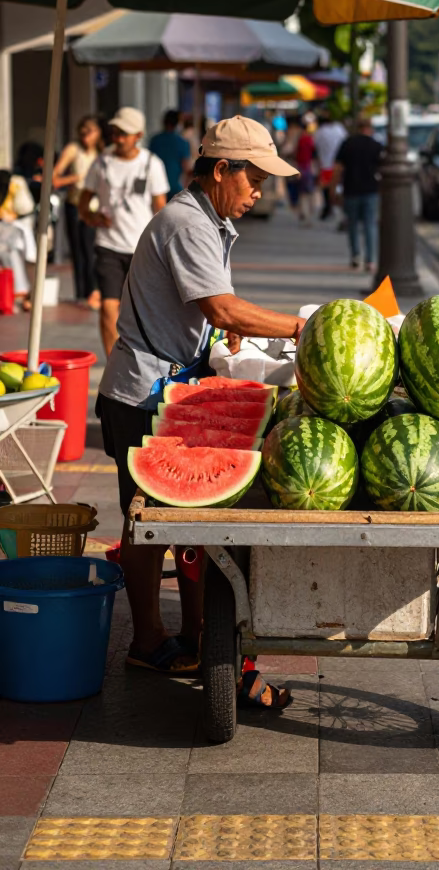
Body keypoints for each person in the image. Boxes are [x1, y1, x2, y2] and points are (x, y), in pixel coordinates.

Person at [96, 115, 304, 699]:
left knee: (185, 516)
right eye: (253, 179)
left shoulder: (205, 221)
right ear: (221, 171)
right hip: (141, 394)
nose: (258, 192)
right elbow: (223, 306)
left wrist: (220, 328)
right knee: (147, 524)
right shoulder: (188, 224)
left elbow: (210, 309)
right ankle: (147, 641)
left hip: (165, 385)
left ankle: (196, 634)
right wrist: (300, 328)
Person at [79, 107, 169, 357]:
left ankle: (142, 360)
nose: (118, 139)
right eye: (115, 132)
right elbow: (83, 201)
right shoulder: (101, 163)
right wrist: (92, 216)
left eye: (124, 134)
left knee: (143, 311)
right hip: (108, 246)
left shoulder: (151, 164)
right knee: (108, 308)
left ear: (138, 135)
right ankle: (113, 363)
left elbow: (161, 209)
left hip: (142, 248)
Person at [53, 115, 104, 309]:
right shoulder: (73, 149)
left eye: (90, 133)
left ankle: (93, 291)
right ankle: (82, 292)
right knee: (78, 250)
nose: (86, 137)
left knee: (92, 249)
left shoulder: (102, 152)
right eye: (83, 133)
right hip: (75, 204)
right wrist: (77, 178)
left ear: (98, 133)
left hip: (94, 205)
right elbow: (55, 178)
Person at [333, 118, 383, 271]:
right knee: (370, 225)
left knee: (352, 224)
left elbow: (338, 168)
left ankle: (355, 256)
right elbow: (382, 170)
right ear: (370, 128)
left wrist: (334, 188)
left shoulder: (347, 143)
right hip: (370, 190)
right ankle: (370, 260)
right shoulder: (376, 145)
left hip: (351, 189)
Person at [0, 170, 32, 309]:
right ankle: (19, 293)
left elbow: (24, 207)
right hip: (7, 234)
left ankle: (18, 293)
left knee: (11, 255)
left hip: (10, 232)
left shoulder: (15, 186)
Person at [149, 110, 192, 199]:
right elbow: (186, 166)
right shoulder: (182, 142)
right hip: (174, 187)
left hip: (156, 187)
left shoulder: (155, 140)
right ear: (178, 123)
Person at [314, 112, 347, 220]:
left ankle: (328, 206)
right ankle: (337, 208)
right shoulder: (339, 129)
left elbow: (316, 147)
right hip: (339, 163)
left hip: (325, 164)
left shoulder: (319, 132)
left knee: (326, 187)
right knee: (339, 187)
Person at [295, 117, 316, 222]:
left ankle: (303, 212)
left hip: (301, 167)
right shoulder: (310, 139)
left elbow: (296, 154)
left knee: (302, 192)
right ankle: (308, 213)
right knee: (309, 192)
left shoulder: (300, 139)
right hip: (308, 167)